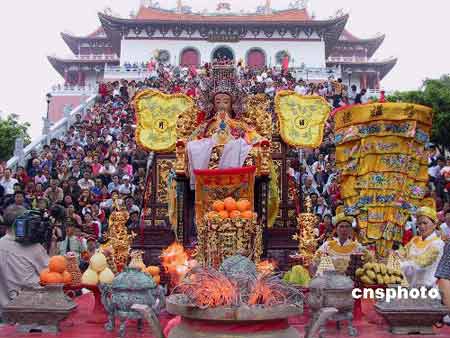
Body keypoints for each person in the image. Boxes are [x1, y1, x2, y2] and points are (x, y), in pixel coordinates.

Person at [0, 205, 49, 317]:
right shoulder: (34, 247)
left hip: (5, 314)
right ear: (21, 223)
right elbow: (52, 275)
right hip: (33, 313)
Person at [396, 206, 445, 287]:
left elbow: (420, 264)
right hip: (410, 287)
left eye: (425, 223)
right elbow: (400, 254)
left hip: (427, 290)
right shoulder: (414, 240)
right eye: (419, 223)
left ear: (434, 225)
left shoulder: (438, 244)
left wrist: (397, 265)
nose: (422, 227)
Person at [314, 208, 363, 273]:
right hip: (331, 279)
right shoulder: (327, 245)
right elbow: (316, 259)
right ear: (336, 230)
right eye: (341, 226)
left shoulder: (357, 246)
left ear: (351, 230)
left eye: (347, 226)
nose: (344, 229)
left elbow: (366, 263)